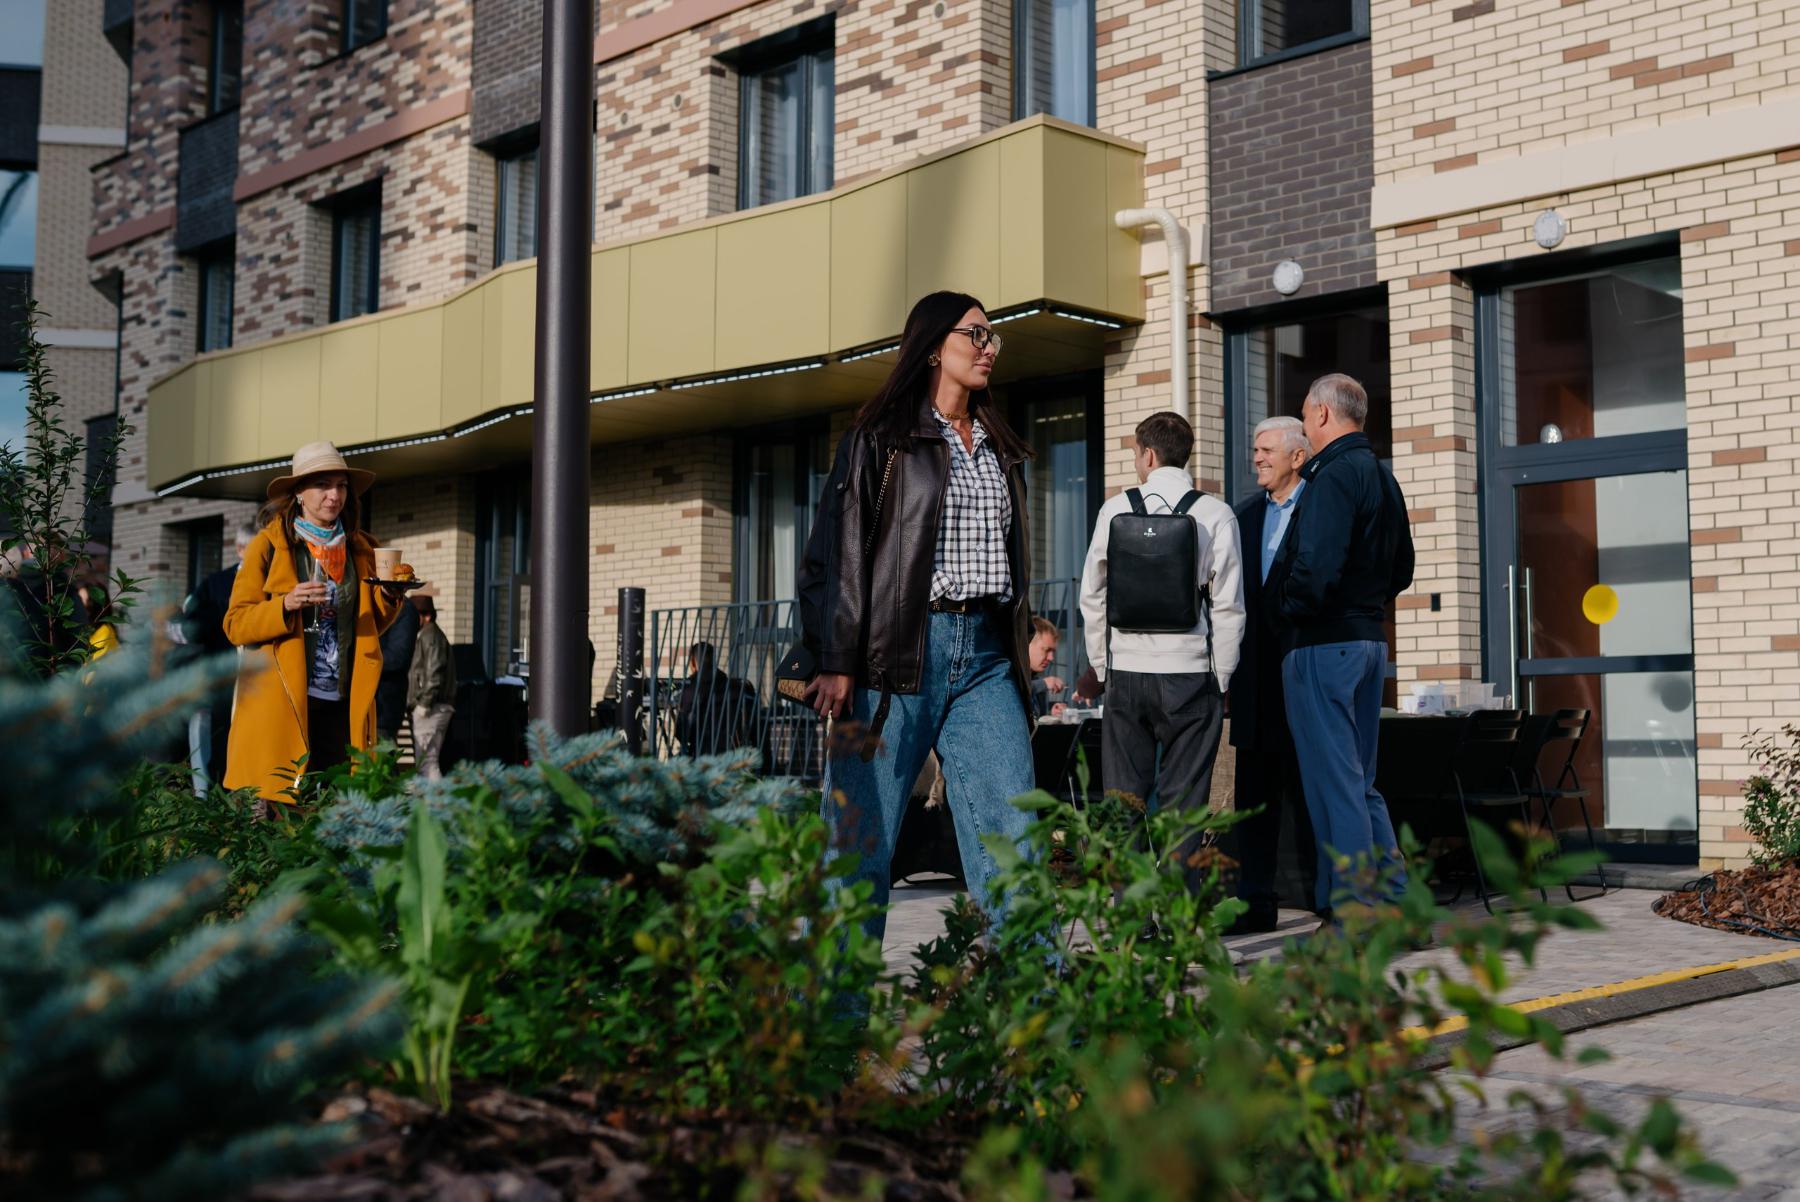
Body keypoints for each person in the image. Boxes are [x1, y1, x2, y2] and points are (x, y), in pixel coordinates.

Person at [798, 290, 1039, 946]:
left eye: (993, 338)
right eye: (975, 335)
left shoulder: (999, 447)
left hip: (986, 659)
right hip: (894, 659)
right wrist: (836, 659)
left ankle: (1034, 1004)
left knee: (1014, 840)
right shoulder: (881, 440)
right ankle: (830, 1009)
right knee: (857, 846)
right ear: (933, 346)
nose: (988, 348)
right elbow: (835, 554)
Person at [1078, 411, 1246, 891]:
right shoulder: (1216, 513)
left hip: (1127, 673)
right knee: (1184, 804)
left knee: (1123, 799)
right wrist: (1220, 676)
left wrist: (1102, 666)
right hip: (1190, 675)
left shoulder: (1115, 509)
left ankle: (1132, 915)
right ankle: (1175, 915)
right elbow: (1229, 605)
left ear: (1148, 455)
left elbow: (1092, 594)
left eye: (1136, 453)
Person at [1265, 373, 1415, 912]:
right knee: (1360, 783)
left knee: (1336, 787)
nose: (1304, 423)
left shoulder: (1330, 477)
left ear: (1324, 414)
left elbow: (1314, 570)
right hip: (1369, 641)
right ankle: (1398, 906)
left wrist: (1286, 609)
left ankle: (1355, 915)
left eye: (1306, 413)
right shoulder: (1383, 477)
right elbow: (1403, 568)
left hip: (1323, 646)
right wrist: (1364, 603)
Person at [223, 441, 409, 804]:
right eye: (322, 485)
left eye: (341, 486)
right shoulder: (269, 545)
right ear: (298, 493)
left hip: (342, 701)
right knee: (280, 805)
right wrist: (285, 605)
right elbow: (235, 624)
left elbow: (370, 625)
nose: (334, 496)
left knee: (338, 807)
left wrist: (389, 597)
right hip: (283, 701)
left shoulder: (361, 548)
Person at [1226, 416, 1320, 933]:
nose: (1257, 458)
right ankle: (1255, 904)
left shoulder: (1321, 509)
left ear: (1297, 457)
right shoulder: (1241, 517)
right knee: (1254, 798)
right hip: (1255, 682)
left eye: (1266, 450)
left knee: (1313, 793)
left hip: (1308, 671)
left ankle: (1326, 899)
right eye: (1256, 449)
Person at [180, 521, 258, 791]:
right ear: (240, 549)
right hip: (224, 676)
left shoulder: (274, 581)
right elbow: (191, 626)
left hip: (260, 675)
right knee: (222, 736)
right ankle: (218, 795)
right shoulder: (216, 585)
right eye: (256, 549)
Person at [407, 594, 456, 780]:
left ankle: (439, 798)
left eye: (415, 616)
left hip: (432, 707)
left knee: (427, 762)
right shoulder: (427, 635)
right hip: (434, 705)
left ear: (426, 616)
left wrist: (424, 704)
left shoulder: (431, 637)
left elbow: (435, 672)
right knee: (427, 761)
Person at [376, 591, 420, 742]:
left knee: (380, 755)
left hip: (383, 709)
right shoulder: (369, 604)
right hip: (354, 705)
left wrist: (363, 662)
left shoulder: (404, 608)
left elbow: (398, 657)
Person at [1026, 616, 1068, 718]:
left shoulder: (1035, 680)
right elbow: (1015, 690)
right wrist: (1044, 683)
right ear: (1027, 644)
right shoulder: (1006, 673)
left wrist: (1050, 715)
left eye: (1052, 652)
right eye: (1046, 650)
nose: (1051, 658)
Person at [79, 581, 120, 659]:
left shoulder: (105, 632)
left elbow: (90, 664)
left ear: (93, 606)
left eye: (81, 600)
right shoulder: (87, 630)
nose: (77, 605)